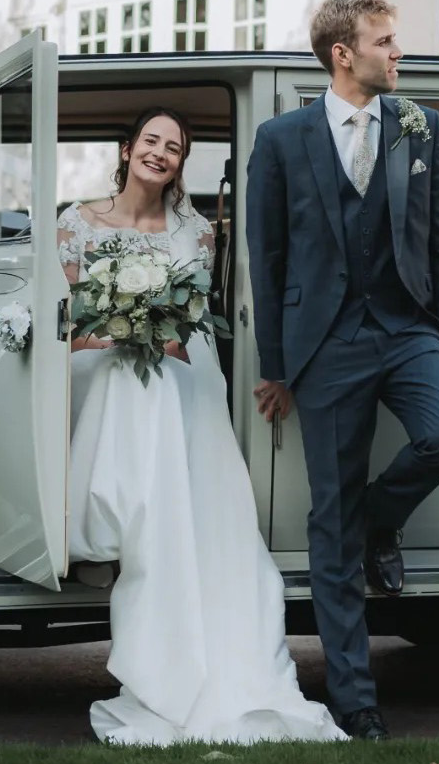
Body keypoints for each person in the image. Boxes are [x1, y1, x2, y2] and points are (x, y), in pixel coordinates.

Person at [60, 107, 348, 746]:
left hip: (182, 375)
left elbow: (193, 320)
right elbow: (68, 327)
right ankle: (118, 530)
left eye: (175, 148)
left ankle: (193, 621)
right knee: (123, 383)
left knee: (167, 404)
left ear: (180, 164)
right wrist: (125, 330)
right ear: (128, 146)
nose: (161, 153)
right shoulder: (76, 223)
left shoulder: (196, 230)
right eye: (152, 141)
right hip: (103, 370)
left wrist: (153, 333)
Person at [244, 0, 439, 741]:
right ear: (343, 54)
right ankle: (355, 700)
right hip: (327, 347)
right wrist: (279, 367)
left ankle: (380, 521)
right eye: (384, 41)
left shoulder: (421, 127)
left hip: (408, 327)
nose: (396, 52)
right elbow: (267, 254)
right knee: (328, 521)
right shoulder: (280, 139)